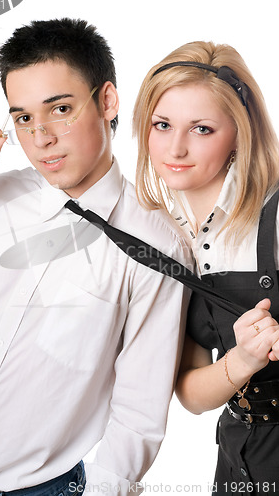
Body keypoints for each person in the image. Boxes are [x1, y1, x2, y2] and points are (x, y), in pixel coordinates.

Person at [0, 18, 192, 496]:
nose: (40, 137)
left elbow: (139, 408)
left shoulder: (155, 245)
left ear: (107, 102)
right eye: (22, 118)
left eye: (59, 109)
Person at [133, 41, 279, 495]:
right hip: (239, 456)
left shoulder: (274, 217)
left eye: (201, 128)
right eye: (162, 125)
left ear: (240, 131)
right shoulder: (167, 239)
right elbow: (191, 393)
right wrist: (243, 360)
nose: (175, 147)